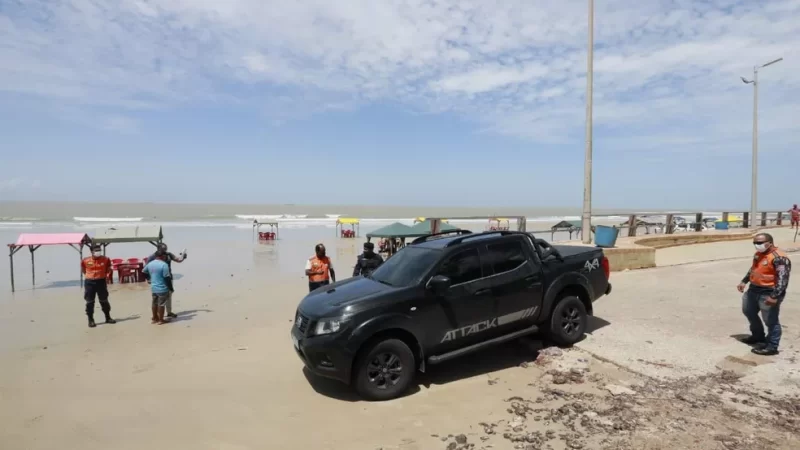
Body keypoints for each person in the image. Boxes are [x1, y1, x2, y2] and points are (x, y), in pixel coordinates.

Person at [736, 233, 791, 356]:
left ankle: (772, 346)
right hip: (753, 290)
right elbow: (753, 269)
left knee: (770, 320)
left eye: (760, 243)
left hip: (769, 292)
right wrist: (744, 281)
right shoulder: (759, 254)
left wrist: (774, 296)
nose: (757, 245)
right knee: (748, 312)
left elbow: (783, 279)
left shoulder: (779, 258)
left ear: (770, 243)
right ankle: (758, 336)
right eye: (755, 243)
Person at [80, 244, 116, 328]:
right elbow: (83, 270)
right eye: (96, 250)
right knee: (90, 302)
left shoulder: (106, 259)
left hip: (101, 281)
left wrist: (105, 275)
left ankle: (108, 317)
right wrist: (90, 275)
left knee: (104, 300)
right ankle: (91, 320)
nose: (98, 252)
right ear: (92, 252)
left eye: (99, 250)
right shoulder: (85, 260)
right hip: (90, 282)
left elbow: (108, 269)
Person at [148, 243, 186, 319]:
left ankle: (169, 312)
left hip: (168, 277)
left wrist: (183, 257)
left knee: (169, 295)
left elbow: (178, 260)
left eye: (166, 249)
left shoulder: (169, 255)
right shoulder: (152, 256)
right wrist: (149, 278)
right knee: (157, 298)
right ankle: (157, 316)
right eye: (163, 249)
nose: (165, 251)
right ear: (158, 249)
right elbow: (147, 267)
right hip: (157, 279)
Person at [142, 252, 173, 325]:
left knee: (154, 303)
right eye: (165, 256)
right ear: (162, 256)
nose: (166, 257)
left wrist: (149, 279)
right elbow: (167, 278)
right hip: (162, 288)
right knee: (161, 304)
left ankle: (154, 318)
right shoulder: (164, 265)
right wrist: (171, 288)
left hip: (154, 288)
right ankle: (161, 320)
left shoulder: (150, 264)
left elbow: (143, 271)